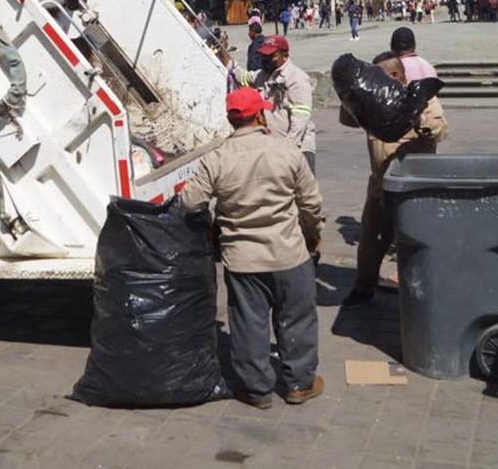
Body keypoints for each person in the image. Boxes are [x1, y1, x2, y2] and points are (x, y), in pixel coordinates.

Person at [180, 87, 325, 409]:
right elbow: (311, 204)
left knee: (249, 324)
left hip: (243, 260)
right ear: (260, 115)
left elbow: (190, 203)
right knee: (298, 319)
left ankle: (257, 391)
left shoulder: (216, 158)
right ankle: (300, 384)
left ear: (231, 120)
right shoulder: (287, 150)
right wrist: (313, 235)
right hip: (290, 253)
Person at [341, 52, 448, 308]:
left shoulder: (423, 99)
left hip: (414, 191)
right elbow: (347, 120)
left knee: (417, 243)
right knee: (370, 241)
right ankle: (364, 287)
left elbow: (440, 129)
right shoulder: (371, 101)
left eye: (379, 76)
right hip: (380, 188)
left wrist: (416, 116)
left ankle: (422, 293)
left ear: (396, 75)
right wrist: (350, 95)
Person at [236, 35, 318, 172]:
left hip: (297, 149)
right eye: (263, 56)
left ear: (284, 55)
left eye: (270, 56)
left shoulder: (296, 78)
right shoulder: (263, 75)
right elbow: (244, 77)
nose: (265, 60)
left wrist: (287, 149)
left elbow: (300, 119)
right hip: (275, 148)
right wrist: (227, 61)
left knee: (302, 192)